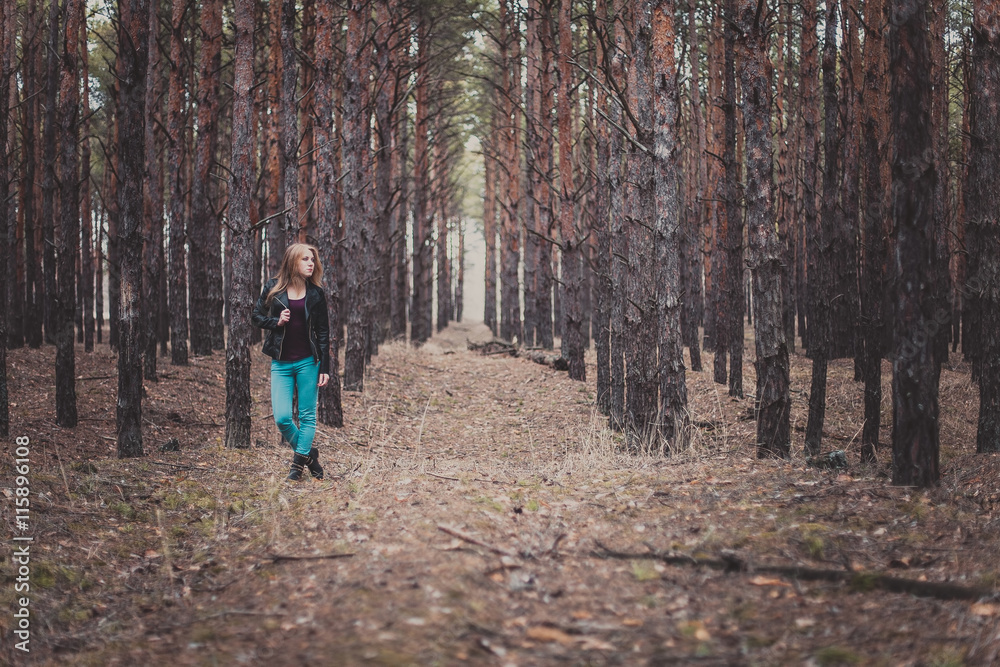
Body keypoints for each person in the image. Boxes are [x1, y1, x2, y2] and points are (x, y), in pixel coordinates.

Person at [252, 243, 331, 481]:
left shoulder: (316, 293)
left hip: (308, 361)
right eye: (305, 259)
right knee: (283, 418)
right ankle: (310, 456)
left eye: (312, 260)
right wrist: (275, 321)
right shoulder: (273, 288)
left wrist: (325, 367)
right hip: (281, 364)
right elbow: (256, 317)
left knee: (307, 417)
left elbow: (324, 333)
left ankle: (297, 466)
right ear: (293, 262)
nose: (311, 263)